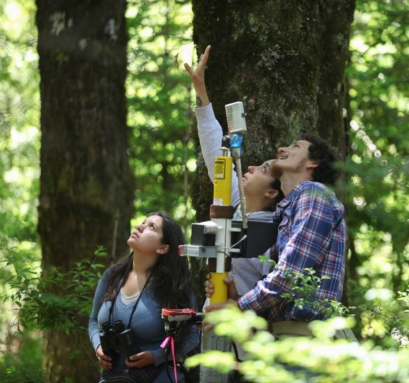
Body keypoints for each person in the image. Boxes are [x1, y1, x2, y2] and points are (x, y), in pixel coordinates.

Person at [205, 133, 347, 338]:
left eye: (295, 146)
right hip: (285, 337)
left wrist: (240, 306)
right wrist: (237, 297)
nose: (281, 149)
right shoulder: (288, 208)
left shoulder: (313, 194)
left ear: (313, 162)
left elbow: (291, 274)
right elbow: (283, 286)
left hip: (307, 340)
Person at [184, 45, 284, 296]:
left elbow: (271, 286)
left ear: (272, 193)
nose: (250, 166)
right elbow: (215, 154)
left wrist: (235, 292)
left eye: (263, 169)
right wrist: (201, 92)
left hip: (247, 326)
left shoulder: (275, 230)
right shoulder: (236, 200)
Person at [88, 212, 200, 383]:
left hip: (159, 377)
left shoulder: (175, 286)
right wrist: (98, 346)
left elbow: (192, 337)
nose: (140, 226)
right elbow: (93, 320)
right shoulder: (112, 276)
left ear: (163, 248)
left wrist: (157, 356)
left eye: (151, 227)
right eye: (143, 222)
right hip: (114, 377)